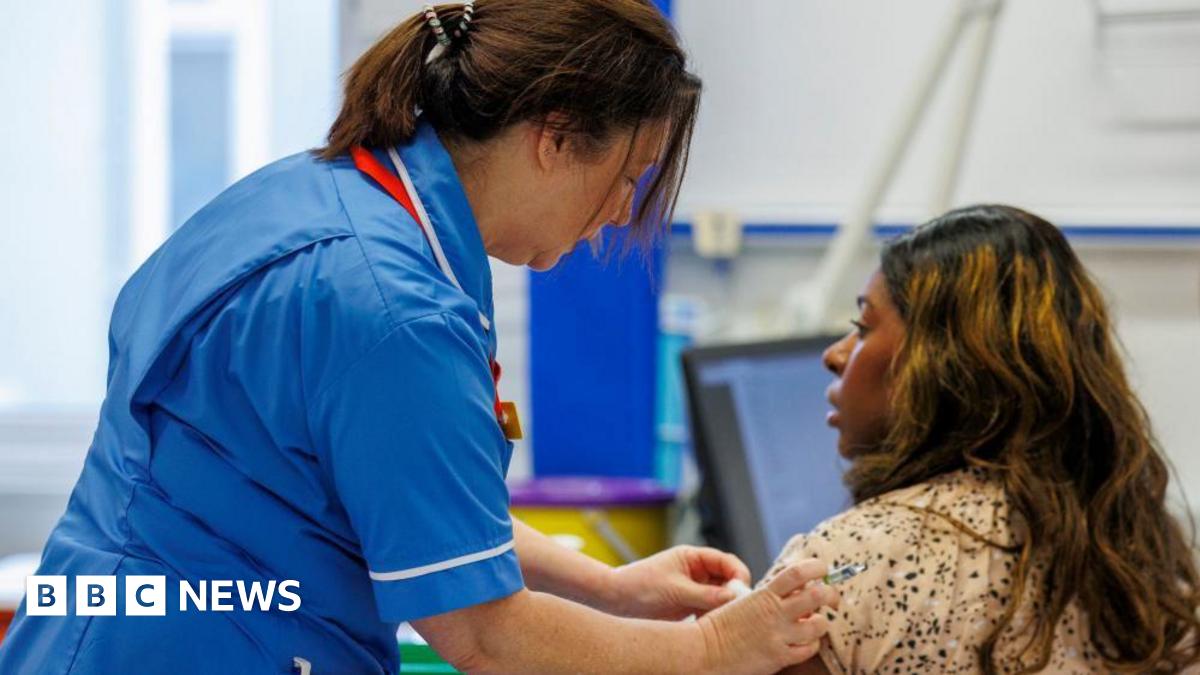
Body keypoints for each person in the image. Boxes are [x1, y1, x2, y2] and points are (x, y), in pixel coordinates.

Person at [0, 1, 839, 672]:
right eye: (625, 176)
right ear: (553, 137)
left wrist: (610, 585)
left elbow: (407, 496)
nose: (622, 211)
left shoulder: (321, 198)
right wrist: (713, 649)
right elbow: (484, 635)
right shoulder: (393, 310)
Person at [766, 205, 1200, 674]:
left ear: (940, 364)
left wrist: (719, 639)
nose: (835, 355)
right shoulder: (1138, 553)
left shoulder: (833, 571)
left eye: (863, 328)